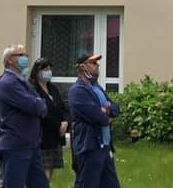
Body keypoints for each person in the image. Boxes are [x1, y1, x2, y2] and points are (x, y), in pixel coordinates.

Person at [0, 45, 48, 188]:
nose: (25, 58)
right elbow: (33, 105)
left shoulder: (22, 81)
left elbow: (42, 104)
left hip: (30, 144)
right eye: (21, 55)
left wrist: (39, 104)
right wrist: (39, 104)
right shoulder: (8, 83)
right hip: (17, 144)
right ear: (10, 60)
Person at [68, 54, 120, 188]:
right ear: (82, 67)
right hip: (89, 148)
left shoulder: (97, 88)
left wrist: (106, 110)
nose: (97, 66)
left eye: (97, 63)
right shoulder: (77, 91)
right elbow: (97, 117)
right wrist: (104, 113)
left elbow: (116, 108)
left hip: (104, 147)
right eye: (93, 63)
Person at [28, 59, 68, 182]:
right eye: (45, 69)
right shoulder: (32, 89)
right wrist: (58, 125)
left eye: (50, 69)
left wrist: (65, 122)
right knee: (41, 171)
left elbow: (62, 107)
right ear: (37, 72)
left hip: (55, 136)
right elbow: (41, 113)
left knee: (50, 169)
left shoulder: (53, 88)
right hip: (42, 136)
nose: (48, 72)